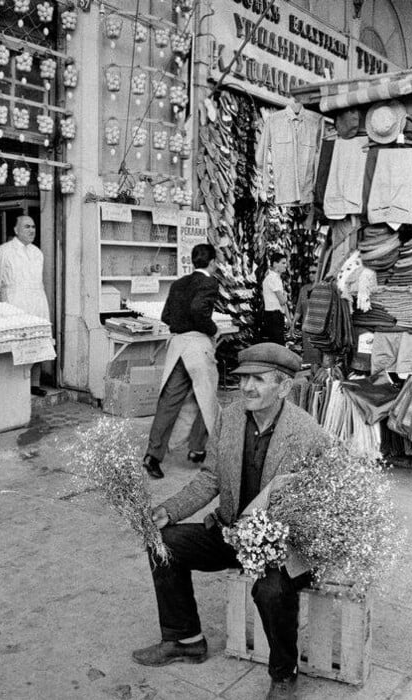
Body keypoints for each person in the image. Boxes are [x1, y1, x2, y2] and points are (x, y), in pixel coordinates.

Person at [133, 343, 327, 700]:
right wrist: (171, 510)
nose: (248, 387)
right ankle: (185, 639)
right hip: (232, 532)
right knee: (163, 543)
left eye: (259, 379)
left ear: (283, 387)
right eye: (243, 379)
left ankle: (284, 674)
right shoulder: (231, 417)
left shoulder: (307, 433)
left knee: (271, 590)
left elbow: (318, 502)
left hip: (279, 545)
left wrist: (281, 540)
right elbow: (211, 478)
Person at [143, 243, 220, 480]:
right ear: (212, 262)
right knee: (205, 398)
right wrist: (212, 329)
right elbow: (198, 309)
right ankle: (197, 449)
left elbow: (166, 316)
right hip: (198, 346)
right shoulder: (210, 283)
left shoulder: (178, 284)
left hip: (177, 346)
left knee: (169, 401)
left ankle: (153, 456)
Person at [0, 215, 50, 397]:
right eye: (27, 227)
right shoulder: (4, 251)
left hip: (37, 300)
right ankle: (16, 385)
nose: (31, 230)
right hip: (14, 302)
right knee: (16, 343)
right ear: (16, 230)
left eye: (33, 227)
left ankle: (34, 383)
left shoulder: (37, 253)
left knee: (39, 340)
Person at [291, 265, 322, 367]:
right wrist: (293, 324)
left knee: (321, 359)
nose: (311, 275)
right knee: (311, 358)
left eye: (313, 272)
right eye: (309, 272)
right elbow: (299, 310)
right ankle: (314, 379)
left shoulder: (324, 288)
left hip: (320, 329)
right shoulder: (304, 289)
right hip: (307, 329)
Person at [262, 252, 291, 346]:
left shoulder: (276, 278)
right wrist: (285, 296)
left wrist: (288, 317)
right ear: (275, 264)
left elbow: (282, 302)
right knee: (277, 345)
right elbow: (282, 300)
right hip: (273, 316)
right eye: (283, 263)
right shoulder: (272, 278)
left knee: (278, 344)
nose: (285, 265)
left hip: (276, 315)